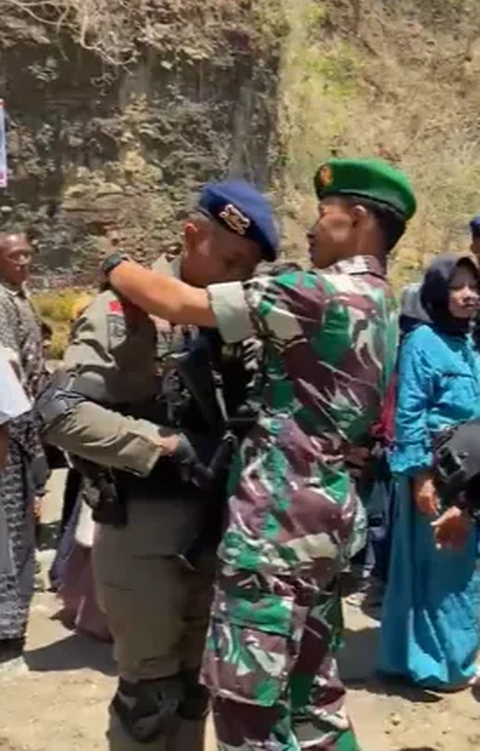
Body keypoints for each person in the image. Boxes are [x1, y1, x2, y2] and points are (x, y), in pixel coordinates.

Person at [101, 157, 416, 751]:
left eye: (323, 216)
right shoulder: (384, 304)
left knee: (248, 709)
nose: (311, 230)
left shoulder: (314, 293)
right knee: (315, 698)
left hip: (274, 527)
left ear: (357, 219)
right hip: (327, 521)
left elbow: (177, 302)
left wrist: (117, 267)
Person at [38, 179, 278, 751]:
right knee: (149, 696)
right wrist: (160, 445)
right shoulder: (124, 311)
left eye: (245, 269)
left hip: (212, 527)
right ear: (191, 236)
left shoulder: (227, 319)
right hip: (141, 529)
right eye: (229, 260)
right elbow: (60, 412)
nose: (235, 279)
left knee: (196, 687)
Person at [379, 254, 480, 690]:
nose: (468, 294)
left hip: (473, 472)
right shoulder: (422, 341)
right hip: (437, 470)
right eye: (458, 286)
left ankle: (457, 658)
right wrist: (420, 475)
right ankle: (428, 663)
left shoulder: (473, 343)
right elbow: (410, 413)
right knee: (434, 564)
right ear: (439, 291)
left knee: (463, 569)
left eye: (474, 286)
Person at [0, 233, 49, 668]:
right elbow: (6, 370)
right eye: (15, 256)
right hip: (9, 426)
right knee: (11, 530)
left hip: (23, 419)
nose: (24, 262)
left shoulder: (20, 297)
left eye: (27, 254)